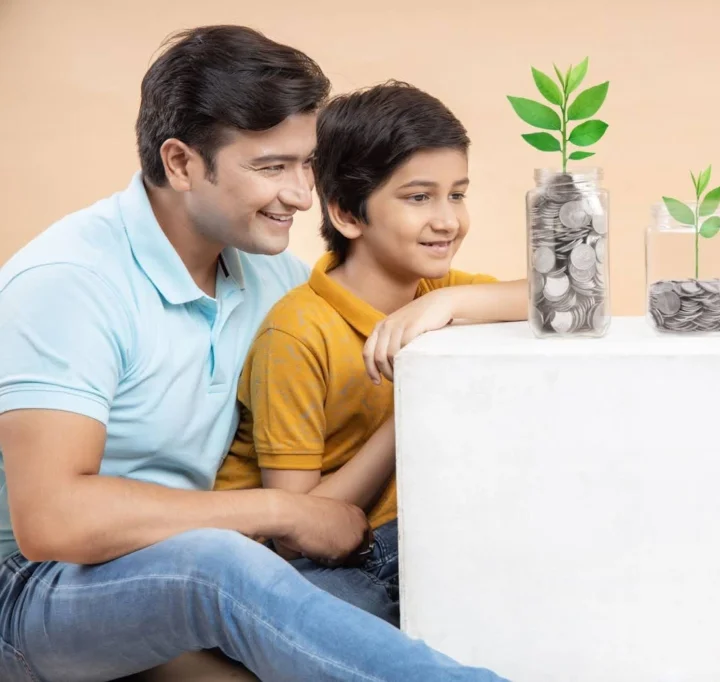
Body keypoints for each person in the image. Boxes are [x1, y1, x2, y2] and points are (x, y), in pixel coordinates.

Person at [0, 25, 507, 682]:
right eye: (272, 167)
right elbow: (52, 519)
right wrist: (282, 510)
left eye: (307, 164)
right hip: (37, 593)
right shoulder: (69, 280)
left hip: (196, 575)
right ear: (181, 163)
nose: (301, 195)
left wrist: (442, 305)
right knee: (220, 565)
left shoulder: (273, 280)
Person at [214, 81, 528, 627]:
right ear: (347, 214)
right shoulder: (295, 333)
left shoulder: (436, 295)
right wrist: (411, 406)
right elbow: (295, 532)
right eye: (418, 197)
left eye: (457, 194)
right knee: (355, 628)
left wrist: (453, 301)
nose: (448, 220)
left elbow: (559, 295)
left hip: (404, 542)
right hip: (307, 565)